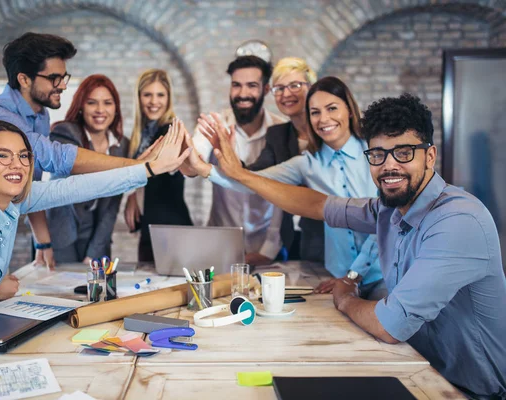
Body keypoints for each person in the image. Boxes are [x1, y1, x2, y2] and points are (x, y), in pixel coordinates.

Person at [194, 94, 506, 398]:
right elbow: (318, 205)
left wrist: (345, 297)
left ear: (430, 156)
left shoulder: (458, 220)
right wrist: (238, 174)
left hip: (472, 390)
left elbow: (389, 325)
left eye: (404, 153)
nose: (389, 166)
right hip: (418, 371)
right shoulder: (389, 208)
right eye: (378, 155)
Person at [0, 119, 190, 332]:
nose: (16, 164)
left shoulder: (10, 204)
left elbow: (78, 188)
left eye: (23, 156)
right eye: (2, 156)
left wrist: (149, 169)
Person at [0, 32, 155, 269]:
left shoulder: (39, 115)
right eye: (53, 78)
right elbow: (56, 157)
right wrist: (141, 165)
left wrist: (43, 241)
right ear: (24, 79)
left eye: (63, 77)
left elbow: (30, 181)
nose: (62, 86)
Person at [192, 77, 386, 300]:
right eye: (314, 112)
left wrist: (354, 276)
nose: (324, 119)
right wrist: (205, 168)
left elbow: (384, 221)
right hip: (336, 277)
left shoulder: (376, 153)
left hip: (382, 275)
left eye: (332, 108)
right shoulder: (307, 163)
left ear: (350, 111)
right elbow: (253, 183)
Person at [192, 56, 286, 266]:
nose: (243, 94)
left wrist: (269, 249)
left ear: (266, 89)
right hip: (219, 242)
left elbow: (283, 194)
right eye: (236, 85)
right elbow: (195, 154)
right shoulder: (215, 125)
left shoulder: (281, 130)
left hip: (267, 249)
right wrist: (188, 160)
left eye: (252, 85)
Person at [246, 56, 323, 262]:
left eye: (295, 85)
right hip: (296, 238)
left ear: (312, 87)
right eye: (278, 88)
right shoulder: (277, 135)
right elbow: (256, 174)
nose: (286, 94)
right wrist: (226, 158)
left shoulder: (329, 131)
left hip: (333, 235)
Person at [46, 74, 129, 263]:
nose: (100, 110)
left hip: (96, 229)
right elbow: (75, 171)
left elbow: (112, 205)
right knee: (60, 289)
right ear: (81, 106)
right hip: (61, 228)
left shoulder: (122, 145)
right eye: (92, 103)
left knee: (97, 289)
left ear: (116, 109)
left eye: (108, 103)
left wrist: (95, 250)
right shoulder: (64, 132)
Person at [124, 69, 192, 261]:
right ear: (139, 98)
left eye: (160, 95)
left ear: (169, 98)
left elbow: (152, 170)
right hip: (151, 229)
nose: (154, 102)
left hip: (171, 230)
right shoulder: (141, 135)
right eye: (148, 95)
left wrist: (133, 191)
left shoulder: (170, 131)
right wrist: (132, 196)